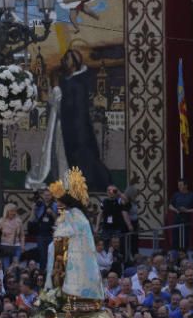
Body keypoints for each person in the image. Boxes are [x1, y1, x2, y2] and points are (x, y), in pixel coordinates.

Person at [46, 168, 105, 306]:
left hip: (74, 257)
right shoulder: (76, 214)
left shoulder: (73, 214)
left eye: (59, 201)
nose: (57, 204)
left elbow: (62, 236)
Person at [59, 49, 112, 192]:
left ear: (75, 64)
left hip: (79, 131)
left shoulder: (78, 83)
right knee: (73, 160)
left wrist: (80, 133)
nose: (65, 60)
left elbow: (80, 110)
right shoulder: (66, 80)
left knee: (85, 160)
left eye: (68, 58)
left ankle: (93, 185)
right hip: (69, 128)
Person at [97, 186, 132, 259]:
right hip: (106, 227)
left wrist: (118, 193)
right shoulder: (104, 201)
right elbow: (100, 214)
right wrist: (97, 227)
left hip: (116, 227)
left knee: (116, 245)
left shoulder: (119, 201)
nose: (111, 192)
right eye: (109, 190)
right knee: (105, 245)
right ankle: (106, 259)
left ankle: (116, 259)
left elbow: (126, 201)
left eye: (113, 190)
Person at [30, 189, 58, 270]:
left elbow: (58, 220)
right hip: (40, 234)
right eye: (45, 195)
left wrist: (52, 213)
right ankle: (42, 273)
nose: (47, 197)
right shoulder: (39, 205)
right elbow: (33, 219)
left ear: (51, 196)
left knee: (51, 254)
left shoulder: (55, 205)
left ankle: (51, 272)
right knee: (42, 255)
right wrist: (33, 209)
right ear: (43, 196)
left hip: (51, 234)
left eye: (48, 195)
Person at [168, 179, 193, 249]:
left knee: (185, 237)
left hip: (187, 218)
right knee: (175, 236)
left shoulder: (192, 195)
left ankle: (184, 252)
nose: (179, 186)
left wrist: (187, 210)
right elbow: (170, 205)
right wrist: (176, 210)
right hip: (177, 217)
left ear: (186, 185)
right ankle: (174, 251)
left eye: (181, 185)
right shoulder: (176, 194)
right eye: (178, 185)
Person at [0, 203, 25, 269]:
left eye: (14, 211)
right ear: (7, 211)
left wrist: (22, 245)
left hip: (16, 246)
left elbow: (22, 235)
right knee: (6, 267)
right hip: (5, 246)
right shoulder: (2, 220)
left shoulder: (18, 221)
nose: (13, 213)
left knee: (15, 266)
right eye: (11, 211)